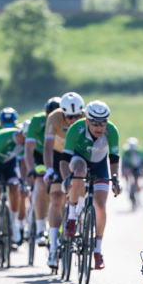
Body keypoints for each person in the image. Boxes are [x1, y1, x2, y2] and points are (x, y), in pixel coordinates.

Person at [60, 100, 122, 270]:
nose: (99, 127)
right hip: (79, 160)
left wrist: (115, 180)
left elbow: (114, 160)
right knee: (79, 173)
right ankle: (72, 217)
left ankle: (97, 250)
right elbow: (64, 160)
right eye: (95, 123)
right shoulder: (76, 129)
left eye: (103, 123)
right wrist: (66, 179)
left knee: (100, 206)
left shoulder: (112, 131)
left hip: (100, 166)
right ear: (87, 120)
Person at [43, 92, 85, 268]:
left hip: (79, 154)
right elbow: (47, 147)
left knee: (81, 189)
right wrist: (49, 169)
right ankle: (53, 248)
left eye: (76, 116)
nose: (73, 120)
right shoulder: (54, 118)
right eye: (69, 117)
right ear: (63, 113)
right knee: (56, 199)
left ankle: (81, 222)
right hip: (59, 155)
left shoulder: (88, 117)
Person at [0, 122, 28, 248]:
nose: (26, 143)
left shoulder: (25, 142)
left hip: (9, 162)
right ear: (21, 134)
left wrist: (24, 184)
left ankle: (14, 223)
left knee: (15, 187)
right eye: (25, 140)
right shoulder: (3, 138)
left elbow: (23, 164)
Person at [24, 97, 62, 247]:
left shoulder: (66, 120)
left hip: (58, 155)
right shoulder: (37, 121)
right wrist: (31, 170)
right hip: (40, 155)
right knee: (41, 184)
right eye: (49, 116)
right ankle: (40, 230)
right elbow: (28, 149)